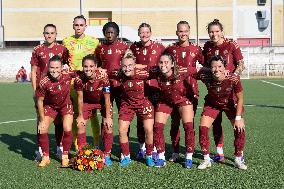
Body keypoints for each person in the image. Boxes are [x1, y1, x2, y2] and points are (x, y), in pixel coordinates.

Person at [202, 19, 245, 162]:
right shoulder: (207, 46)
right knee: (216, 123)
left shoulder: (231, 45)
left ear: (222, 32)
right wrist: (212, 72)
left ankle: (239, 155)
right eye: (211, 32)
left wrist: (234, 75)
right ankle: (219, 152)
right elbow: (204, 66)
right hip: (214, 90)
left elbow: (241, 64)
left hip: (230, 91)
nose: (214, 34)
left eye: (217, 31)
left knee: (238, 126)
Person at [197, 55, 247, 170]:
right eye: (213, 67)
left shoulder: (233, 78)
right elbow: (189, 72)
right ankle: (206, 159)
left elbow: (240, 99)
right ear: (210, 68)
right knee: (203, 128)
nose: (216, 69)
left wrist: (238, 118)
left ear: (225, 67)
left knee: (240, 128)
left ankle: (238, 158)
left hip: (230, 104)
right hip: (212, 104)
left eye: (220, 66)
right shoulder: (205, 75)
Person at [164, 21, 204, 162]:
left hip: (190, 91)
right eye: (180, 31)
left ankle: (189, 154)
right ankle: (175, 152)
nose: (183, 34)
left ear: (189, 31)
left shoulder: (196, 49)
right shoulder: (170, 49)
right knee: (175, 123)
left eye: (185, 31)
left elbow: (206, 67)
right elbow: (163, 64)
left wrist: (192, 71)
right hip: (173, 92)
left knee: (189, 124)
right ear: (176, 32)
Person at [30, 24, 69, 161]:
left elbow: (67, 68)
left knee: (59, 121)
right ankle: (40, 150)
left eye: (52, 33)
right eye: (47, 33)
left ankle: (59, 147)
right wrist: (35, 91)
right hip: (43, 92)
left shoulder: (63, 49)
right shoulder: (37, 49)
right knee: (40, 120)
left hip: (57, 91)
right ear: (43, 34)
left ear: (56, 34)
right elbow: (34, 71)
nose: (49, 35)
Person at [63, 15, 100, 150]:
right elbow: (64, 61)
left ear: (85, 26)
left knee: (94, 112)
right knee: (75, 112)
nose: (78, 27)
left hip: (90, 81)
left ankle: (96, 142)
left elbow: (99, 61)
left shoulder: (94, 41)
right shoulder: (66, 41)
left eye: (81, 25)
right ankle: (76, 144)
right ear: (73, 26)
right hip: (73, 82)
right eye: (76, 25)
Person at [152, 52, 195, 168]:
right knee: (157, 127)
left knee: (188, 126)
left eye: (166, 62)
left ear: (172, 64)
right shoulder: (156, 71)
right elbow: (139, 69)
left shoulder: (181, 71)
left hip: (182, 100)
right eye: (161, 62)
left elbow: (198, 71)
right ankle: (161, 157)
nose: (163, 65)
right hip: (165, 101)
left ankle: (189, 157)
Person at [112, 51, 155, 167]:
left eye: (130, 65)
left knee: (148, 129)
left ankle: (149, 155)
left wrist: (142, 66)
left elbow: (155, 69)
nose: (127, 68)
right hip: (127, 104)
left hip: (143, 103)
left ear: (134, 65)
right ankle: (126, 156)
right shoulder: (119, 74)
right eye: (124, 66)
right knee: (122, 130)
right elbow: (106, 71)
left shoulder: (142, 73)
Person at [130, 23, 165, 160]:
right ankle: (142, 148)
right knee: (140, 120)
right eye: (141, 32)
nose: (144, 35)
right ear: (138, 34)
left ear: (150, 33)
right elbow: (128, 63)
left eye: (146, 32)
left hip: (155, 88)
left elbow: (166, 63)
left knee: (155, 121)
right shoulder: (134, 47)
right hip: (139, 89)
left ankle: (156, 148)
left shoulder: (159, 47)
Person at [74, 54, 113, 166]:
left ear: (96, 66)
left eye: (91, 66)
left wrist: (108, 118)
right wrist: (80, 116)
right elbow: (80, 98)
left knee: (108, 126)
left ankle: (107, 154)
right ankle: (82, 153)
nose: (88, 69)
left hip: (102, 102)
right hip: (87, 102)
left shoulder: (103, 78)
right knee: (80, 124)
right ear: (82, 67)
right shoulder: (79, 79)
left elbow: (107, 98)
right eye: (85, 66)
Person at [36, 55, 74, 167]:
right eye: (52, 68)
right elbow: (40, 101)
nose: (55, 70)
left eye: (57, 68)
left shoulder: (68, 75)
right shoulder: (44, 81)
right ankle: (46, 157)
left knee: (67, 128)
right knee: (42, 128)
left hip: (65, 105)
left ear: (62, 67)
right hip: (50, 106)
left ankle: (65, 156)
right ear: (48, 68)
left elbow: (83, 73)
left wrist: (99, 69)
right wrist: (42, 120)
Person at [95, 21, 128, 111]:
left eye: (112, 32)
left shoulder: (124, 46)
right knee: (106, 112)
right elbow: (97, 64)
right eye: (107, 33)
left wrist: (122, 71)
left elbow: (130, 64)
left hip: (120, 84)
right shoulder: (100, 48)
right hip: (105, 84)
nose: (109, 35)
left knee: (123, 112)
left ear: (117, 33)